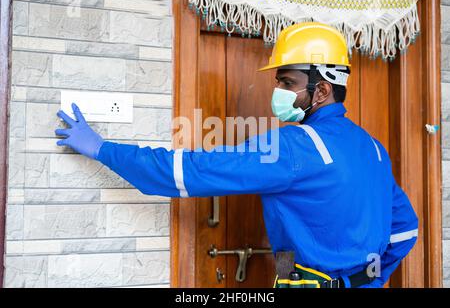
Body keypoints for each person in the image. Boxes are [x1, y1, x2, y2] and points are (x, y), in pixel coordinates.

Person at [54, 22, 418, 288]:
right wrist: (365, 279)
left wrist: (103, 149)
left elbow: (188, 171)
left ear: (321, 90)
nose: (278, 90)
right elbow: (405, 231)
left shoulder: (293, 146)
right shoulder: (373, 148)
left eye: (287, 82)